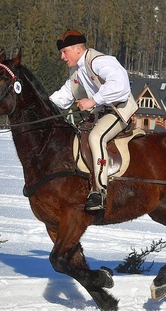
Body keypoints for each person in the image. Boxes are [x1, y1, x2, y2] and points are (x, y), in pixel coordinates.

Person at [49, 30, 138, 211]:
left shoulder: (99, 61)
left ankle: (99, 192)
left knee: (96, 137)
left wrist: (93, 100)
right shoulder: (77, 71)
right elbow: (64, 96)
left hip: (118, 111)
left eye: (65, 52)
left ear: (78, 49)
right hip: (100, 114)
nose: (62, 57)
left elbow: (120, 85)